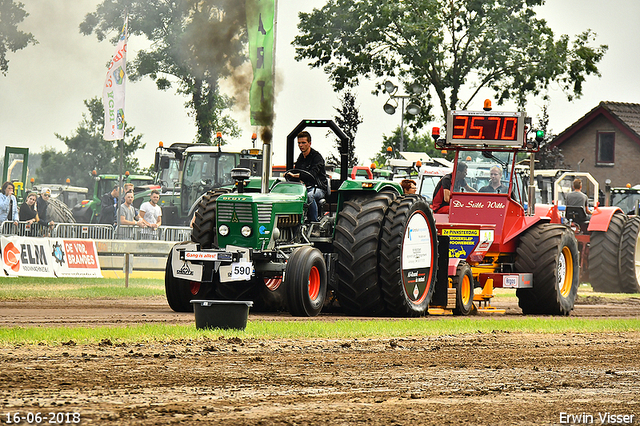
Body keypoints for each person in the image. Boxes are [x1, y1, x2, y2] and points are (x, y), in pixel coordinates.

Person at [285, 131, 329, 222]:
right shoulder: (301, 157)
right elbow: (296, 171)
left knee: (309, 196)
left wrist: (296, 175)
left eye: (303, 143)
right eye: (299, 143)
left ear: (309, 143)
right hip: (303, 188)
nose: (301, 145)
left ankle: (314, 223)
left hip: (318, 188)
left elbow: (312, 174)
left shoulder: (317, 157)